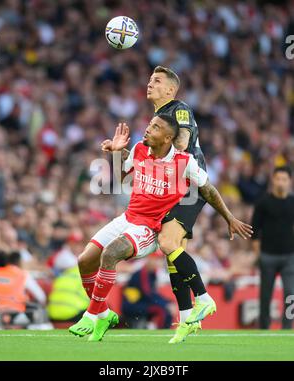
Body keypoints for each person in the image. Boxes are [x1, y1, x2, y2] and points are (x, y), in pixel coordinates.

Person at [69, 114, 252, 342]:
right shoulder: (139, 149)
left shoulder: (184, 163)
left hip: (149, 227)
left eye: (154, 127)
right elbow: (120, 175)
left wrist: (229, 218)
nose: (147, 129)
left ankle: (91, 314)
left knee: (110, 254)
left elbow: (209, 190)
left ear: (167, 138)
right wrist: (116, 152)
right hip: (127, 218)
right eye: (149, 125)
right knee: (85, 261)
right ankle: (105, 313)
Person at [102, 66, 215, 343]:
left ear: (170, 90)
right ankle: (188, 317)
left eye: (157, 81)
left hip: (188, 185)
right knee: (172, 254)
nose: (149, 84)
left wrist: (155, 154)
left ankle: (202, 300)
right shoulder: (158, 117)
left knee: (168, 244)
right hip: (174, 188)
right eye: (150, 79)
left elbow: (183, 142)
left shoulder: (178, 110)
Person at [251, 166, 294, 329]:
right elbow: (255, 231)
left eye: (284, 179)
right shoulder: (263, 203)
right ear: (273, 180)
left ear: (289, 181)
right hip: (267, 255)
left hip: (289, 256)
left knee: (291, 294)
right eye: (278, 179)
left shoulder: (292, 202)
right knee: (265, 295)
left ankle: (288, 327)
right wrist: (258, 255)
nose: (281, 183)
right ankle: (264, 327)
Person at [122, 251, 175, 329]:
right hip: (132, 305)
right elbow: (148, 295)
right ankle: (161, 334)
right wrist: (166, 304)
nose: (159, 262)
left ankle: (161, 331)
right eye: (156, 259)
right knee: (161, 310)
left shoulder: (151, 273)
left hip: (141, 303)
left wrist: (168, 302)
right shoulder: (142, 273)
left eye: (160, 259)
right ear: (149, 259)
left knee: (165, 310)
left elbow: (152, 294)